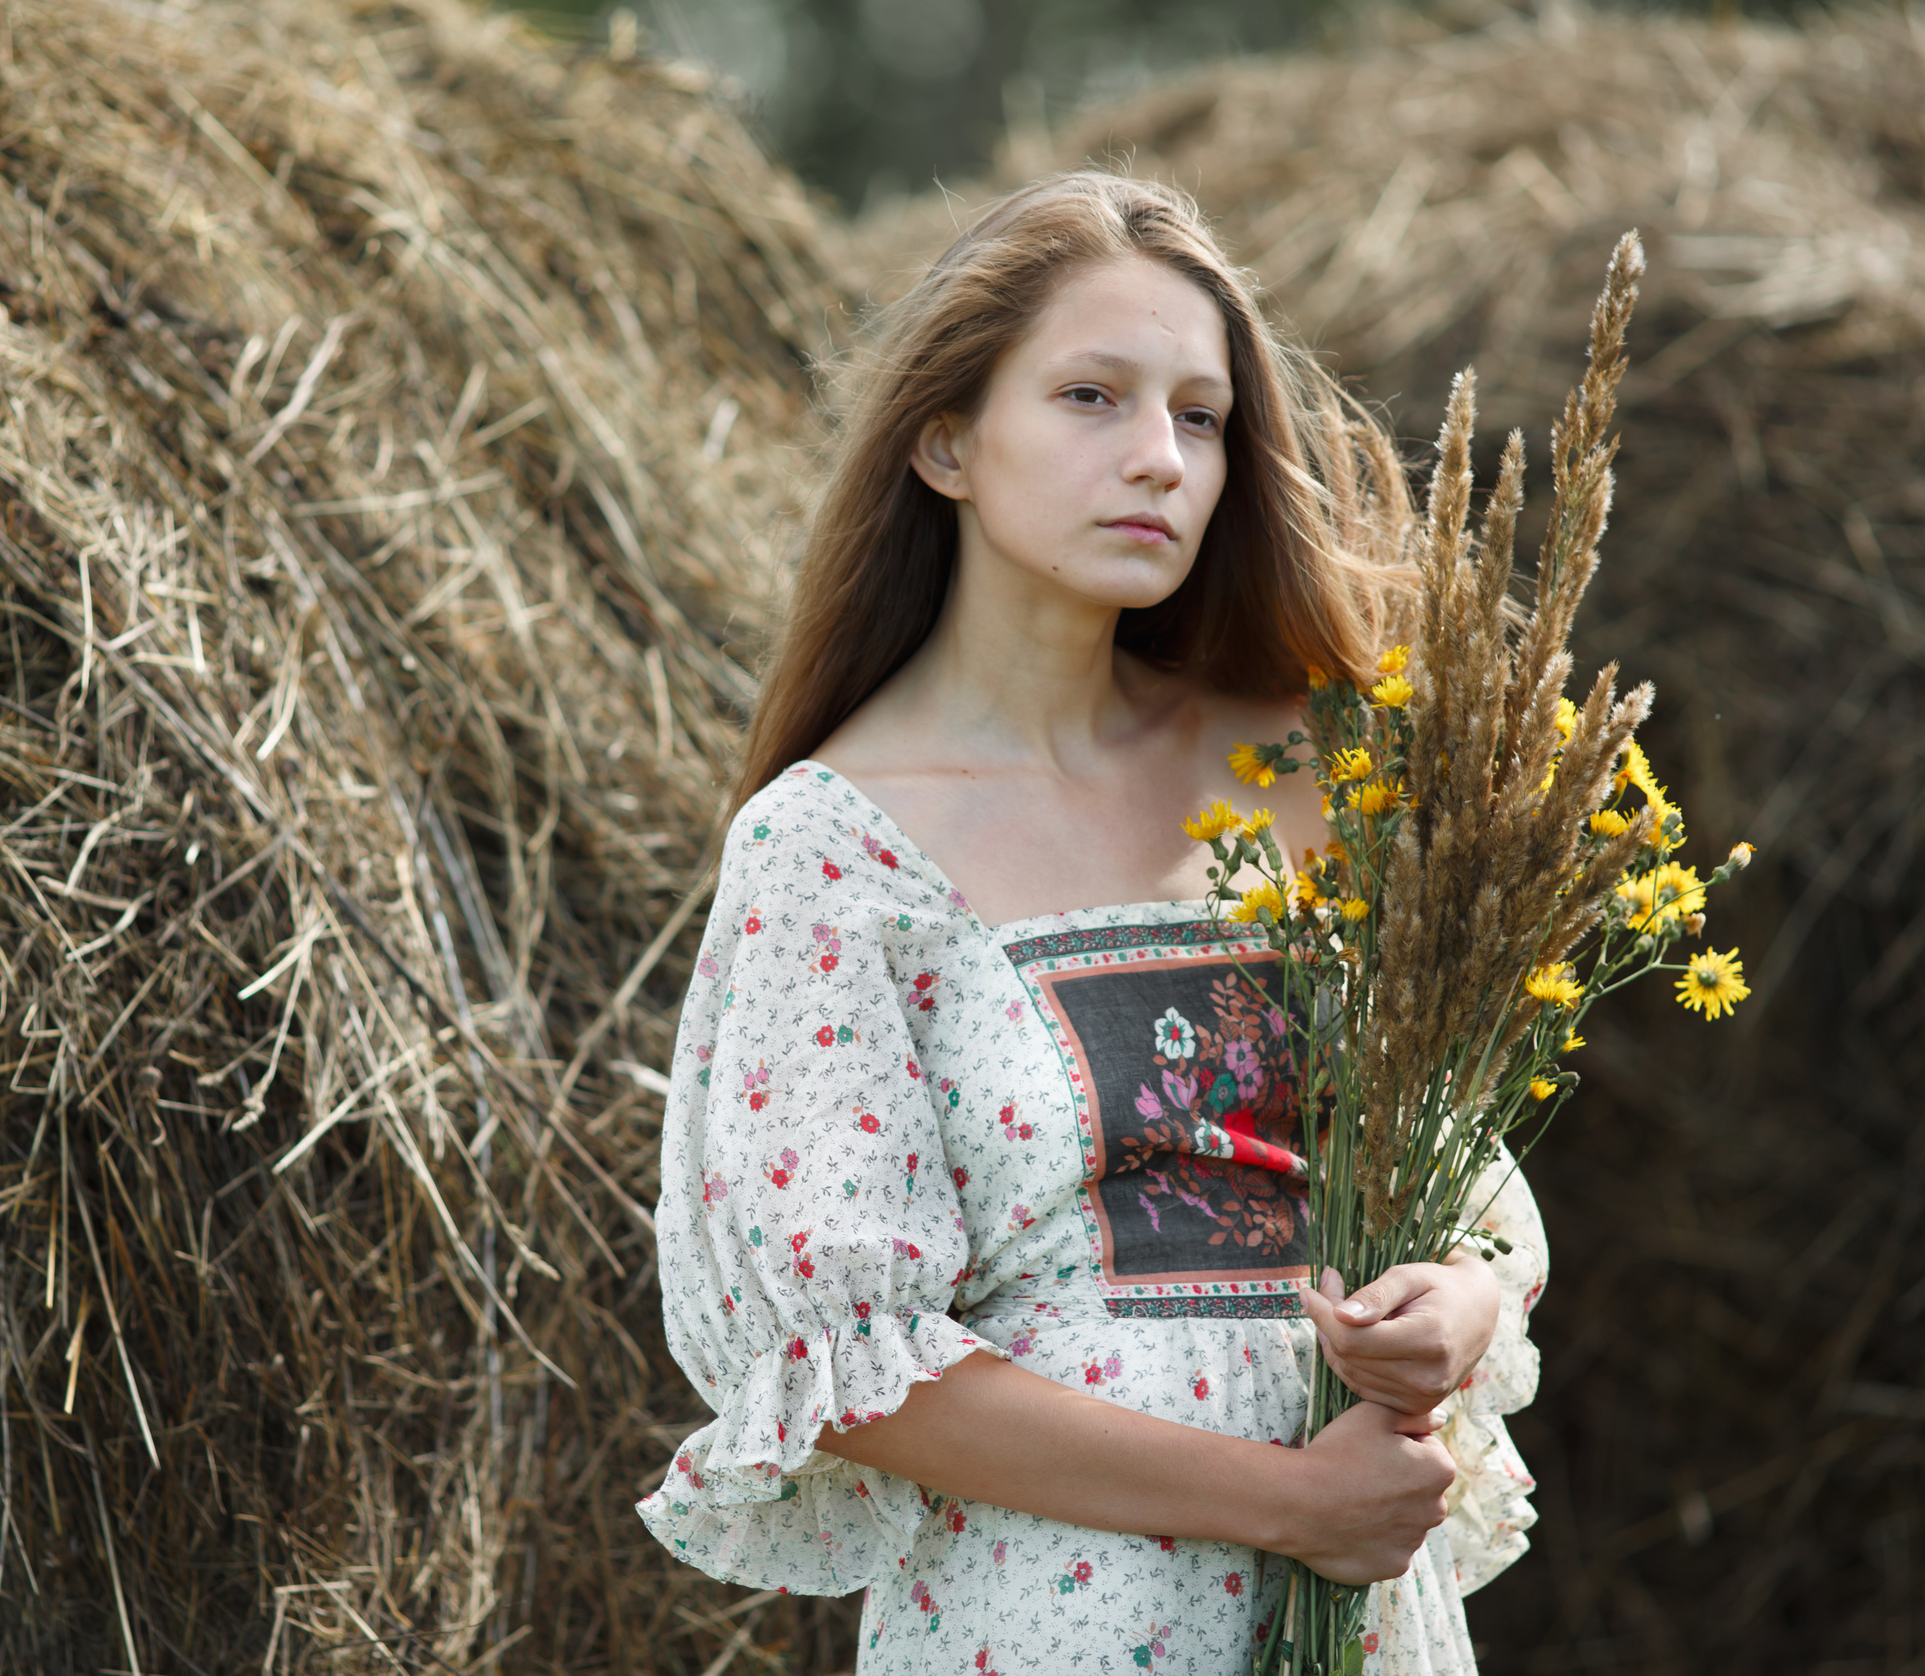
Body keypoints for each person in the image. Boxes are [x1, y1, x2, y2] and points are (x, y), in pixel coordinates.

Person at [636, 172, 1548, 1674]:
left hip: (1360, 1617)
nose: (1160, 460)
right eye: (1091, 397)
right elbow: (864, 1373)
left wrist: (1453, 1301)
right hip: (1044, 1617)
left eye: (1200, 416)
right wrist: (1288, 1502)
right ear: (945, 440)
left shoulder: (1293, 768)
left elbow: (1452, 1166)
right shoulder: (832, 850)